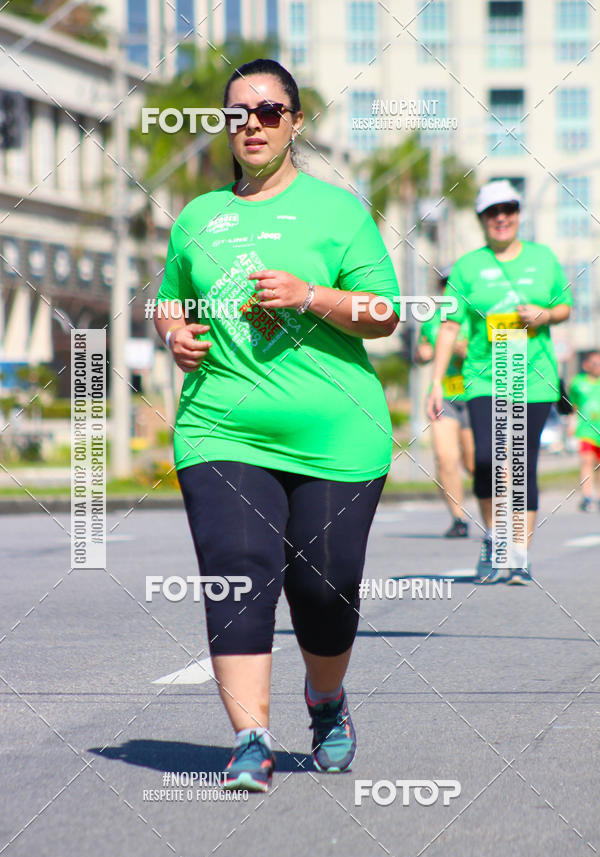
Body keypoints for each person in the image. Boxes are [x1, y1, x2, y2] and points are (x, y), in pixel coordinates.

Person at [153, 58, 400, 791]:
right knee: (237, 574)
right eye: (238, 113)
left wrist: (309, 295)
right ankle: (251, 738)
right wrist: (175, 334)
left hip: (336, 436)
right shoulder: (199, 217)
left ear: (295, 122)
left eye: (268, 111)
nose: (252, 125)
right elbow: (172, 298)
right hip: (220, 430)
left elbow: (385, 315)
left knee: (325, 591)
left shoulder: (338, 211)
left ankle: (324, 701)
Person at [427, 180, 572, 585]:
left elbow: (564, 307)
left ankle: (520, 555)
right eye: (493, 212)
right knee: (489, 460)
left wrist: (544, 315)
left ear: (518, 214)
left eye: (508, 209)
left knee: (522, 465)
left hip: (534, 379)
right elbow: (449, 324)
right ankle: (494, 538)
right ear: (481, 220)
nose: (501, 218)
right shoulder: (469, 267)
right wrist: (436, 381)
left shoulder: (544, 259)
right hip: (483, 379)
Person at [414, 271, 474, 537]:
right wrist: (422, 354)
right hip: (443, 396)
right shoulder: (432, 320)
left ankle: (502, 515)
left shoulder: (476, 317)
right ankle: (458, 518)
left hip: (476, 396)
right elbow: (421, 353)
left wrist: (467, 351)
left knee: (476, 463)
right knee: (445, 458)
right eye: (444, 287)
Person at [569, 350, 600, 511]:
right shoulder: (578, 382)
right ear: (586, 365)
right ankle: (587, 496)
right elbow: (573, 405)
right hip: (586, 430)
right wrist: (571, 423)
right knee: (587, 461)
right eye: (595, 363)